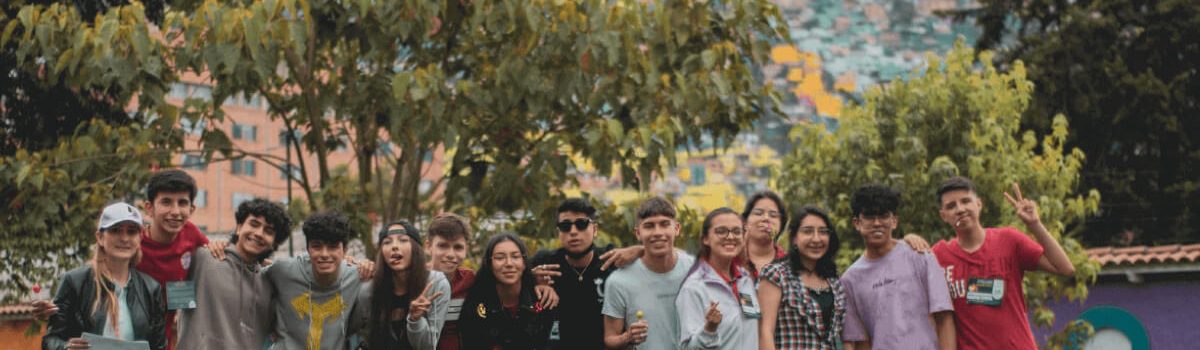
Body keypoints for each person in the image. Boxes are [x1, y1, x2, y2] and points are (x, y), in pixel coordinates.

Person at [932, 177, 1077, 350]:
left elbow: (1065, 268)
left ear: (979, 204)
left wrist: (1034, 224)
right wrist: (911, 240)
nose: (960, 209)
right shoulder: (938, 256)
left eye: (966, 201)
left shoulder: (1009, 240)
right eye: (951, 206)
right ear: (943, 216)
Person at [841, 184, 955, 350]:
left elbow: (944, 318)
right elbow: (861, 341)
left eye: (883, 216)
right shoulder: (849, 280)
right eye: (870, 216)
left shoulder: (920, 256)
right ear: (857, 223)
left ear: (894, 221)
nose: (877, 223)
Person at [43, 202, 167, 350]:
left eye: (132, 231)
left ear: (140, 238)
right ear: (100, 237)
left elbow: (159, 346)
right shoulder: (74, 282)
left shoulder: (151, 289)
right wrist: (65, 347)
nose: (124, 238)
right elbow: (50, 340)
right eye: (115, 230)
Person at [529, 198, 645, 350]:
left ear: (595, 229)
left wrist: (642, 250)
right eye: (565, 226)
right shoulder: (545, 265)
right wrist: (530, 281)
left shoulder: (612, 261)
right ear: (559, 233)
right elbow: (524, 306)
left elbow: (673, 264)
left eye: (581, 224)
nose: (573, 232)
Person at [177, 199, 292, 349]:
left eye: (268, 231)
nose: (258, 233)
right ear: (238, 228)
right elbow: (172, 307)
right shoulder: (202, 258)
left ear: (274, 243)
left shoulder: (270, 283)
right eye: (254, 224)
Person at [602, 196, 696, 349]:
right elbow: (610, 339)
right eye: (649, 226)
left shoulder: (695, 271)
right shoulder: (619, 281)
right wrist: (628, 337)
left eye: (665, 224)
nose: (657, 232)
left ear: (677, 229)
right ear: (638, 233)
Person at [264, 211, 365, 350]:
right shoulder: (282, 271)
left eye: (333, 247)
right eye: (317, 246)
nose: (324, 254)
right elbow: (248, 273)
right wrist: (226, 248)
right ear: (307, 249)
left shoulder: (358, 276)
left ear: (345, 249)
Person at [758, 206, 846, 350]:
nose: (816, 239)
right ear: (794, 239)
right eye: (808, 231)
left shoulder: (834, 282)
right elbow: (765, 332)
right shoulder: (776, 275)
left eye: (823, 232)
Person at [355, 220, 451, 350]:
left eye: (403, 240)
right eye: (387, 242)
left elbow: (428, 346)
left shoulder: (436, 284)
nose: (394, 246)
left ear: (416, 248)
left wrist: (415, 319)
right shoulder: (368, 291)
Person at [675, 207, 759, 349]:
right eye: (721, 231)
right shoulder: (694, 288)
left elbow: (750, 328)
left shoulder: (744, 281)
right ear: (706, 239)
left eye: (737, 231)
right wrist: (709, 328)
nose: (730, 237)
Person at [458, 233, 557, 349]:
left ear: (524, 263)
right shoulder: (477, 306)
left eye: (515, 257)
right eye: (500, 258)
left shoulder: (540, 302)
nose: (509, 264)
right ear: (489, 264)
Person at [742, 191, 788, 278]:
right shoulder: (731, 259)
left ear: (781, 225)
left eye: (773, 215)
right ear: (745, 222)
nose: (766, 218)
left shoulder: (790, 266)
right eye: (758, 213)